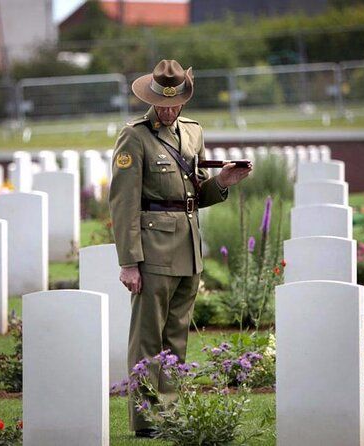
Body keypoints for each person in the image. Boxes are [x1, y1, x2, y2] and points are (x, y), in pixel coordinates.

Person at [109, 59, 252, 438]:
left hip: (189, 250)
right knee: (147, 339)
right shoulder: (134, 137)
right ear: (152, 98)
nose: (169, 111)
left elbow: (195, 194)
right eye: (163, 104)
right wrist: (129, 263)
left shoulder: (192, 133)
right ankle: (145, 421)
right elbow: (123, 203)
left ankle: (170, 415)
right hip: (153, 251)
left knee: (176, 339)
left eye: (175, 104)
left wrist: (222, 181)